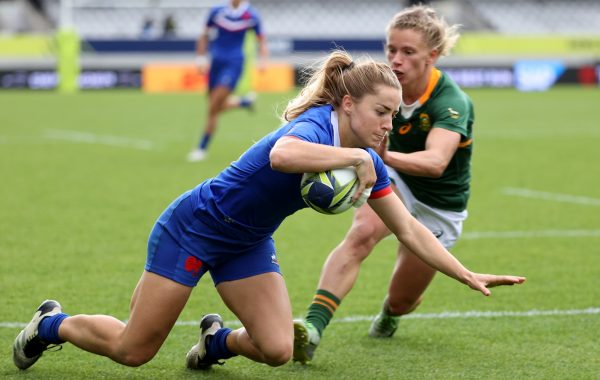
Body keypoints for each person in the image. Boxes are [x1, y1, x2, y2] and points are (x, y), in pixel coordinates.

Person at [13, 50, 524, 373]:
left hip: (249, 243)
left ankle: (216, 343)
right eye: (381, 112)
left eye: (394, 114)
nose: (389, 124)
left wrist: (465, 273)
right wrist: (354, 157)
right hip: (195, 228)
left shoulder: (369, 158)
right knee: (133, 350)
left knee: (278, 349)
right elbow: (283, 157)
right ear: (348, 105)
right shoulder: (317, 127)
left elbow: (410, 230)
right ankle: (50, 325)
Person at [293, 5, 479, 364]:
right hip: (393, 181)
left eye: (408, 52)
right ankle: (313, 327)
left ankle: (391, 314)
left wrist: (380, 159)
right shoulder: (380, 89)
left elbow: (436, 162)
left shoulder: (452, 101)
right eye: (391, 49)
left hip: (439, 205)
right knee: (361, 234)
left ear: (433, 56)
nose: (396, 59)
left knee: (403, 300)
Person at [187, 0, 268, 162]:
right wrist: (200, 57)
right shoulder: (217, 11)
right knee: (214, 104)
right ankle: (244, 103)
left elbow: (261, 40)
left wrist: (263, 60)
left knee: (213, 105)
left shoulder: (251, 14)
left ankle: (202, 148)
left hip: (234, 63)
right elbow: (204, 35)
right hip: (215, 62)